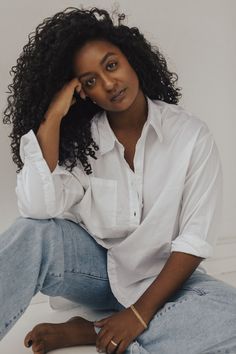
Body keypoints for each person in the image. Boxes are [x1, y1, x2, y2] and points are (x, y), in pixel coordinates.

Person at [1, 5, 236, 354]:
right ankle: (122, 327)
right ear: (82, 93)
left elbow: (194, 241)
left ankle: (94, 332)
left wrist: (139, 315)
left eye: (111, 65)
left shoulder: (190, 136)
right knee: (33, 233)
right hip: (96, 275)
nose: (109, 84)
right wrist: (52, 116)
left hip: (163, 283)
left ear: (131, 59)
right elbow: (38, 207)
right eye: (90, 81)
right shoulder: (83, 144)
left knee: (230, 317)